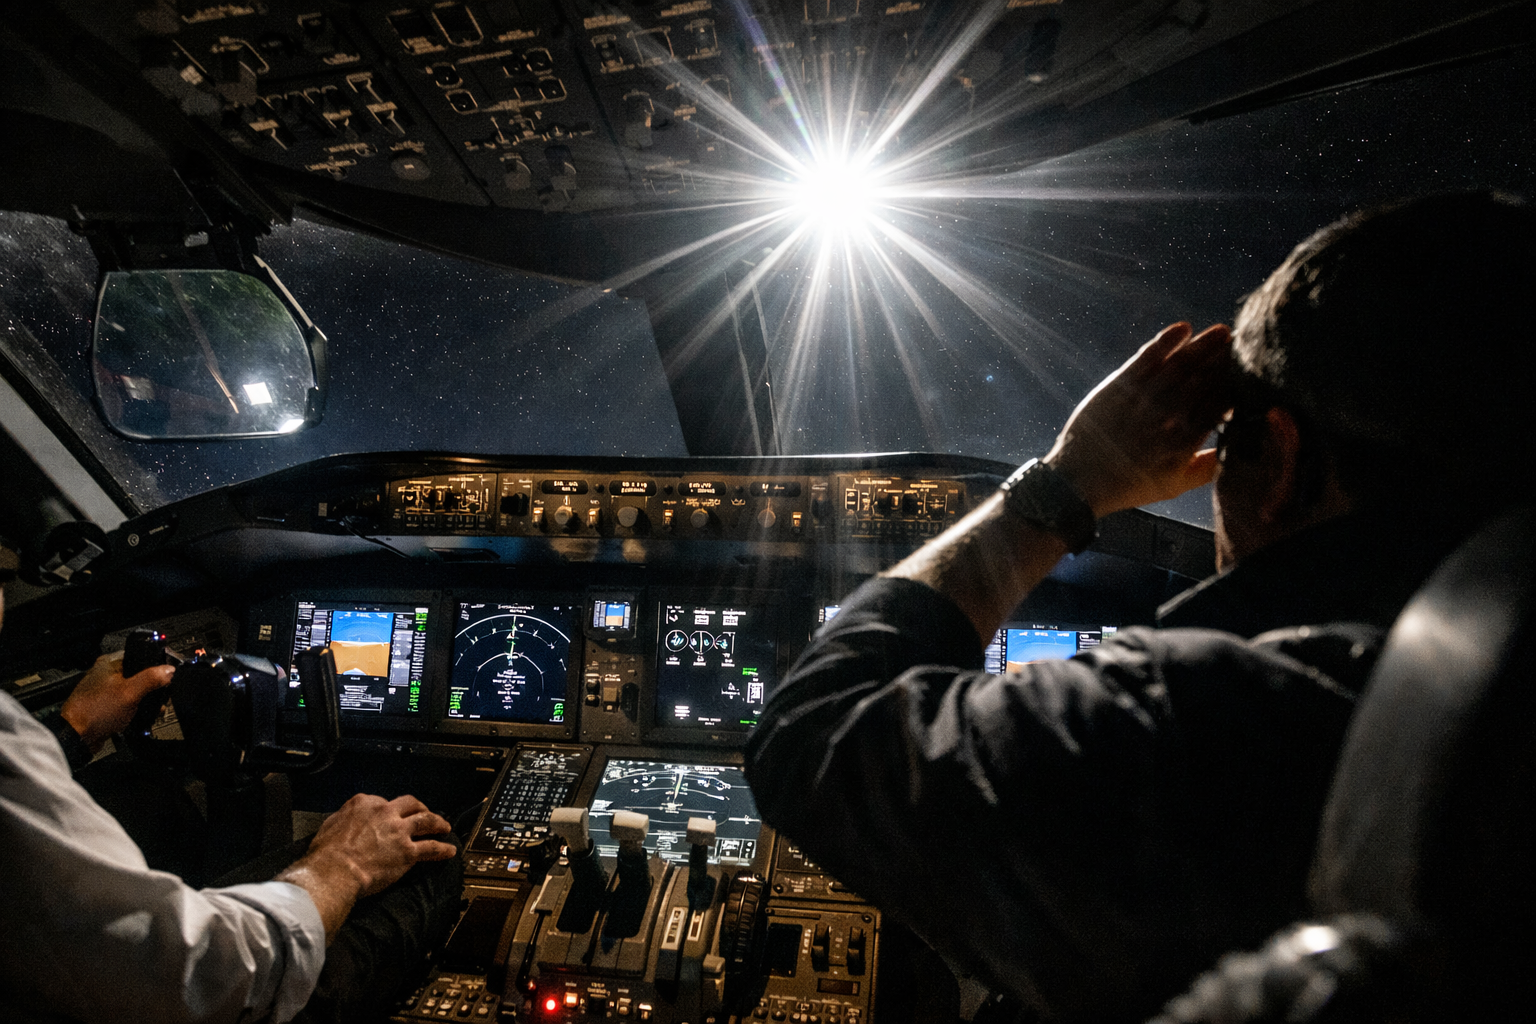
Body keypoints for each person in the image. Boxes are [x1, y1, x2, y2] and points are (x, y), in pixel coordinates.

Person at [743, 192, 1535, 1022]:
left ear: (1281, 458)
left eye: (1228, 449)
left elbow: (814, 735)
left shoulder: (1203, 720)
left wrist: (1064, 486)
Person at [0, 603, 462, 1023]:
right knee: (429, 853)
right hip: (196, 994)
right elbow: (204, 978)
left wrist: (74, 729)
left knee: (140, 785)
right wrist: (344, 864)